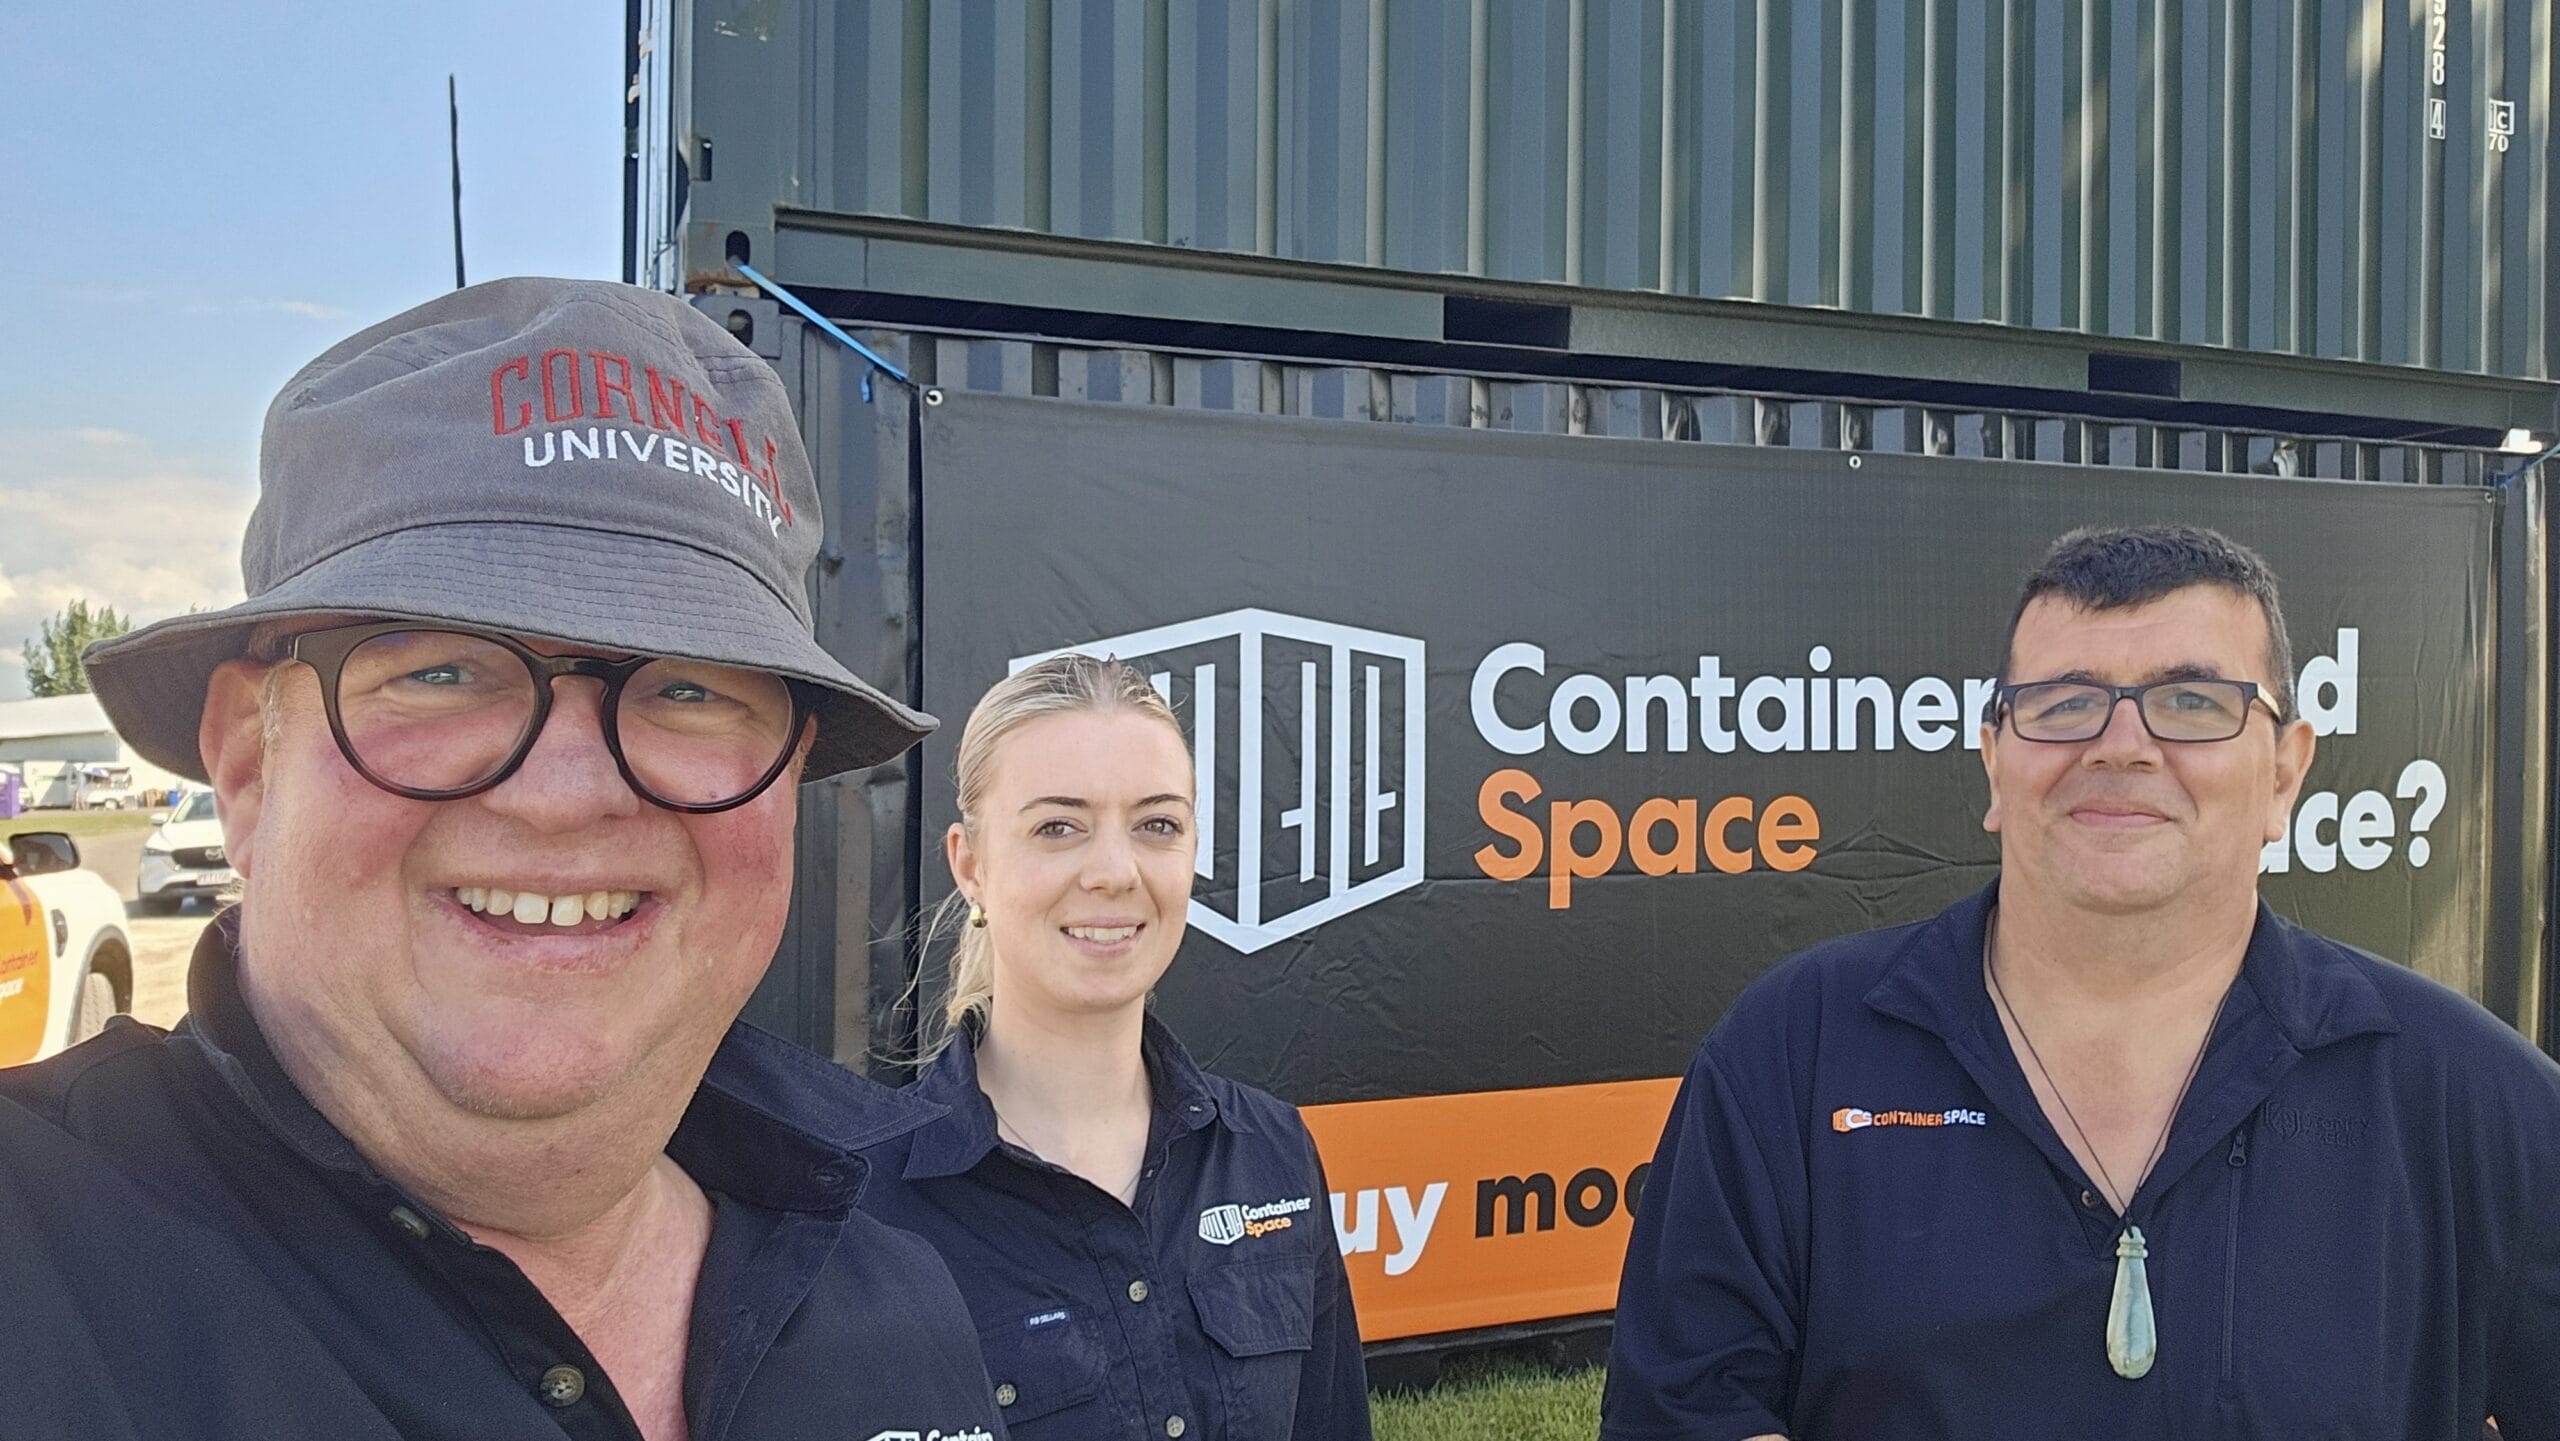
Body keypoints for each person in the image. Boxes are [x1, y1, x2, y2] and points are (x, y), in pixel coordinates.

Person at [0, 278, 1009, 1441]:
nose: (567, 792)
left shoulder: (904, 1292)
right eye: (439, 670)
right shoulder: (36, 1274)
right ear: (246, 765)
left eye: (688, 688)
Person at [1600, 524, 2560, 1440]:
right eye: (2063, 702)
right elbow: (1684, 1407)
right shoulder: (1792, 1051)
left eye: (2193, 702)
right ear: (1994, 764)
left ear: (2283, 773)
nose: (2120, 745)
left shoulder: (2473, 1100)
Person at [851, 654, 1371, 1441]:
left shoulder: (1270, 1151)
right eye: (1058, 826)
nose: (1114, 871)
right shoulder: (866, 1207)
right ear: (970, 864)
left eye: (1156, 824)